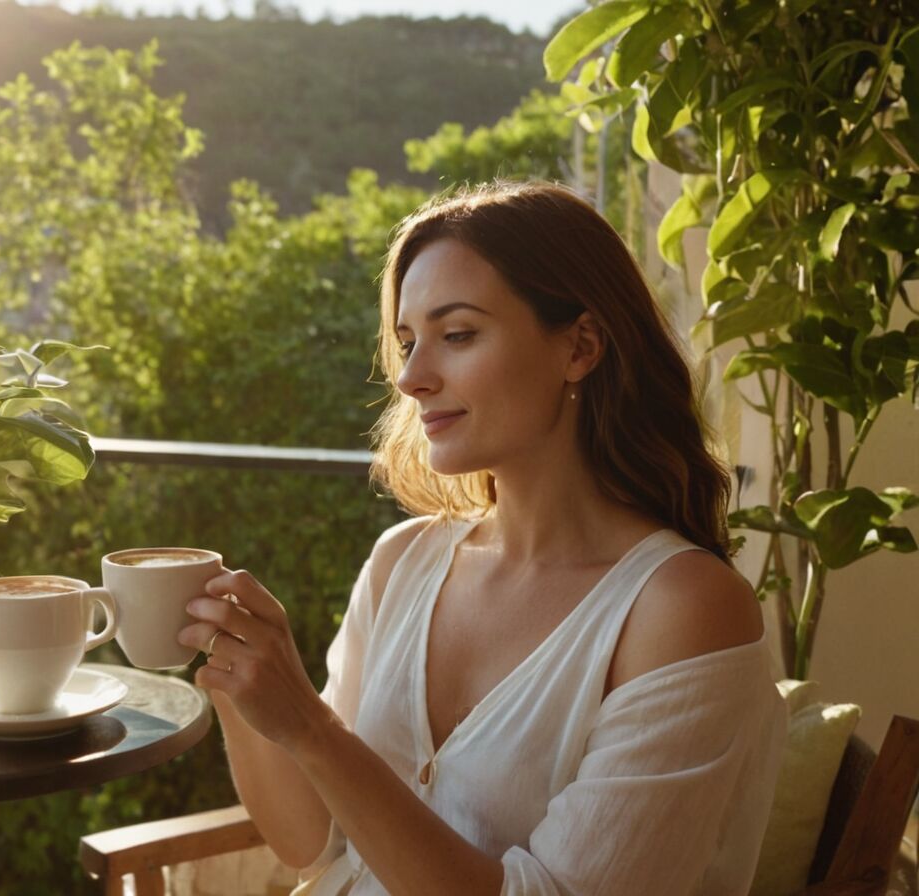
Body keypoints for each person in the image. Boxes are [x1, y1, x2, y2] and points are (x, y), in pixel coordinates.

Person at [179, 180, 787, 895]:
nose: (410, 378)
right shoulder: (403, 561)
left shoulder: (681, 610)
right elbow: (312, 842)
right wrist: (243, 688)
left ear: (581, 346)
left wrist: (311, 726)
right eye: (408, 343)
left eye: (457, 334)